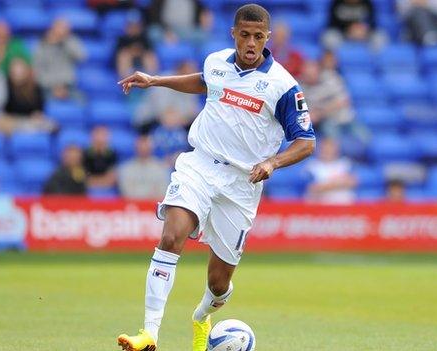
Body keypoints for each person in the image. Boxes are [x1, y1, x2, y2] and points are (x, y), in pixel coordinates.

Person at [115, 4, 316, 351]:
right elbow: (205, 82)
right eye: (244, 35)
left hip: (242, 184)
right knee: (172, 235)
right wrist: (156, 80)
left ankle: (201, 317)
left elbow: (306, 142)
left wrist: (273, 162)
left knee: (219, 282)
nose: (250, 43)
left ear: (267, 38)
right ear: (234, 35)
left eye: (257, 37)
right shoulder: (216, 62)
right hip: (200, 165)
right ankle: (149, 333)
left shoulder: (283, 86)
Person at [134, 59, 200, 130]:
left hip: (177, 124)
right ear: (179, 71)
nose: (191, 78)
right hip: (150, 121)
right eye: (188, 74)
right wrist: (173, 118)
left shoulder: (191, 86)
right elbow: (162, 111)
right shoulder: (163, 80)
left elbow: (191, 111)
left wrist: (179, 119)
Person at [33, 19, 86, 99]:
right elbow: (37, 69)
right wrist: (54, 87)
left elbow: (82, 57)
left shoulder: (71, 41)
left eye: (65, 29)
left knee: (82, 101)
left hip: (68, 87)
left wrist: (65, 40)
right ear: (52, 29)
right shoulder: (41, 45)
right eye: (60, 28)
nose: (61, 31)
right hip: (47, 87)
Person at [0, 58, 55, 134]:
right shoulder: (6, 86)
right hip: (13, 120)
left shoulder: (35, 86)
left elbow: (39, 107)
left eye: (20, 71)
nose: (18, 75)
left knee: (51, 125)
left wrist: (37, 114)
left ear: (26, 71)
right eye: (15, 72)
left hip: (32, 120)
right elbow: (4, 109)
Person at [305, 138, 357, 204]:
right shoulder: (312, 165)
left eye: (331, 148)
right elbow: (312, 188)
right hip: (320, 206)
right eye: (325, 148)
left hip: (344, 205)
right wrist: (339, 183)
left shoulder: (345, 163)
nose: (328, 151)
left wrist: (325, 185)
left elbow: (353, 182)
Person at [118, 134, 169, 200]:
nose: (143, 149)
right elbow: (126, 193)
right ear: (135, 147)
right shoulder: (125, 168)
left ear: (152, 147)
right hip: (132, 207)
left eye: (146, 146)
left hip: (153, 206)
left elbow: (162, 192)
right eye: (141, 146)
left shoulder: (162, 168)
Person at [114, 10, 158, 78]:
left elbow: (151, 52)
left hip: (142, 62)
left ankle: (150, 79)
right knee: (124, 55)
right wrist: (131, 52)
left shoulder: (145, 38)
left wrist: (139, 51)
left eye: (136, 25)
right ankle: (127, 80)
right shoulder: (121, 39)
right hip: (127, 65)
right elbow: (116, 55)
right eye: (131, 25)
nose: (134, 28)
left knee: (148, 56)